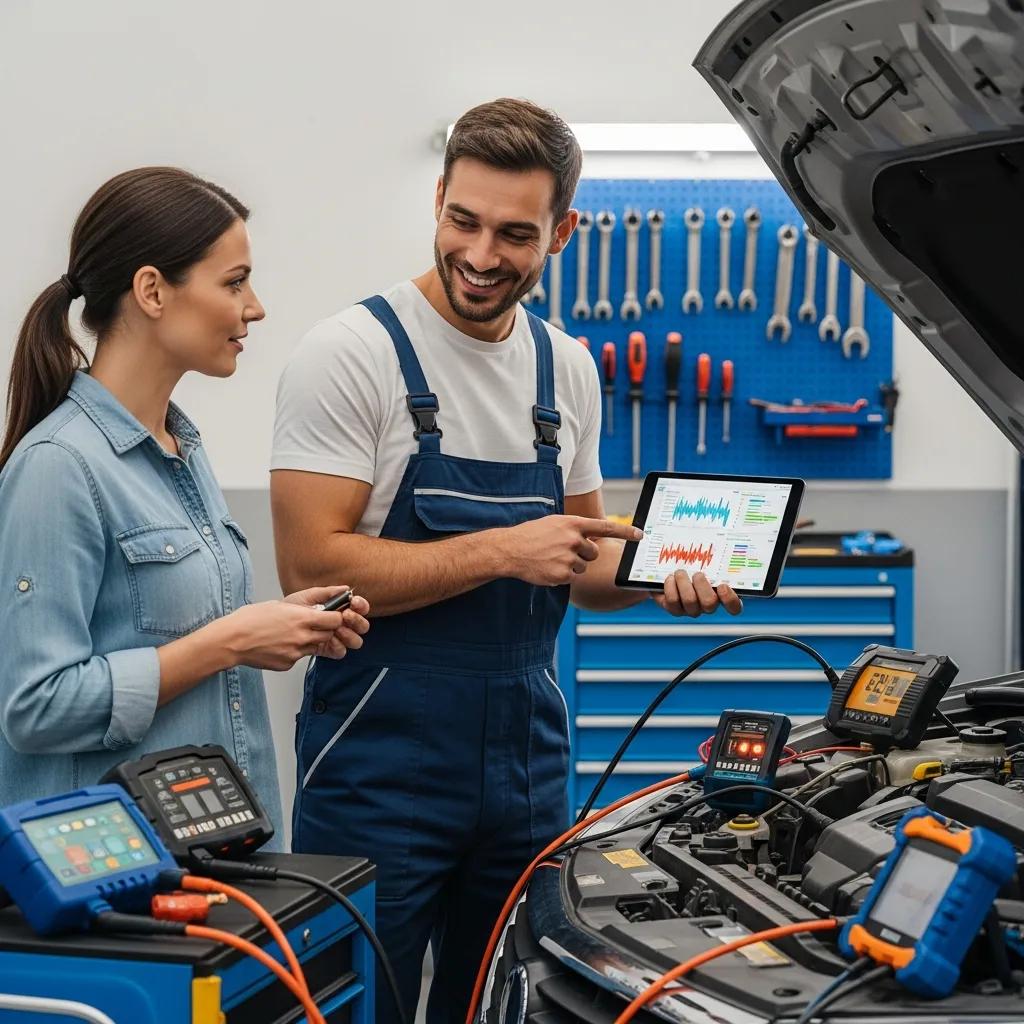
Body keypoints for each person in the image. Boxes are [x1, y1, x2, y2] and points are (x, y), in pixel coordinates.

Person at [270, 98, 742, 1020]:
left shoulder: (564, 367)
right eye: (464, 221)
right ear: (439, 196)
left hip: (525, 749)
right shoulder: (350, 354)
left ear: (563, 232)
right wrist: (503, 550)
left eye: (515, 234)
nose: (482, 256)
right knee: (361, 1003)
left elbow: (581, 563)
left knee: (513, 999)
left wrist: (658, 580)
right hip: (378, 751)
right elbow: (312, 571)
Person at [0, 166, 370, 838]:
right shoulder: (58, 468)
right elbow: (37, 706)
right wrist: (230, 640)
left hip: (221, 860)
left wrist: (264, 628)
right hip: (118, 890)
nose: (253, 307)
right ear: (152, 291)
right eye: (233, 282)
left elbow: (175, 644)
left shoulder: (182, 450)